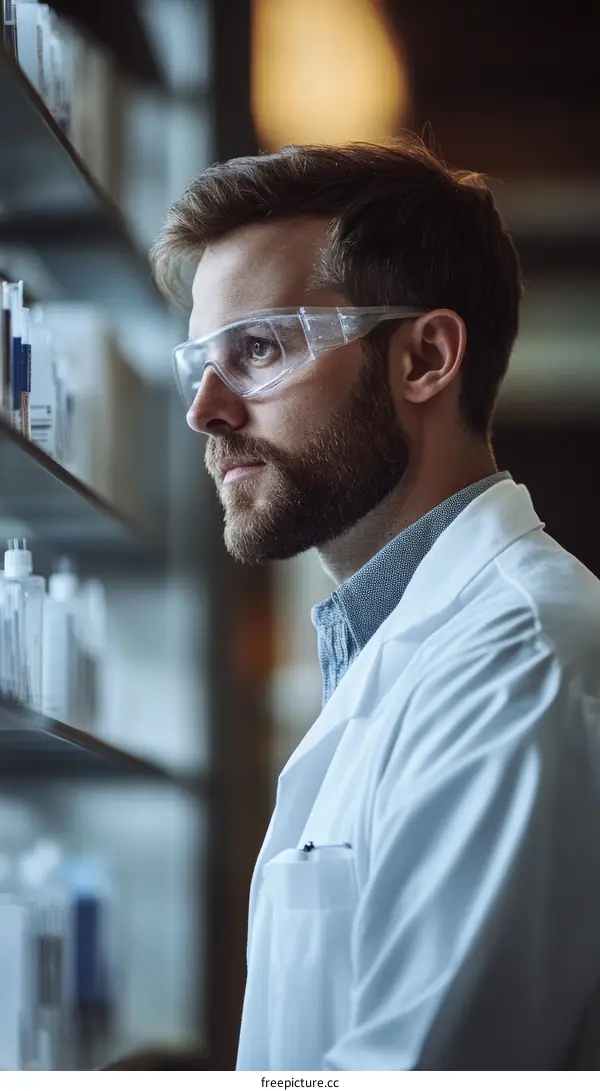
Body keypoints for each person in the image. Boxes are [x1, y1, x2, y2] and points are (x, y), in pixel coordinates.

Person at [151, 136, 600, 1071]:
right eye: (199, 360)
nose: (205, 409)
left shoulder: (521, 660)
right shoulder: (400, 647)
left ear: (425, 357)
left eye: (259, 347)